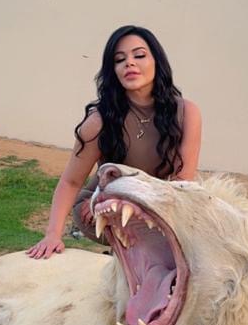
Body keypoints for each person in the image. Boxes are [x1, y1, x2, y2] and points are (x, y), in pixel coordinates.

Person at [27, 25, 202, 259]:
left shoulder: (187, 113)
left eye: (139, 55)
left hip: (157, 203)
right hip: (102, 204)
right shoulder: (99, 121)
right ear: (114, 71)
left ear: (157, 62)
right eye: (120, 60)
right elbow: (71, 181)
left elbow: (183, 182)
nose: (129, 63)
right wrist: (52, 234)